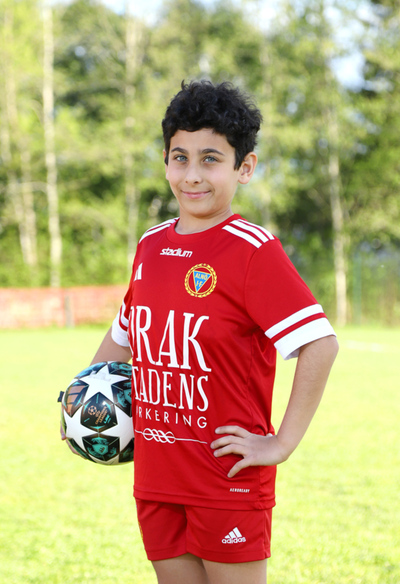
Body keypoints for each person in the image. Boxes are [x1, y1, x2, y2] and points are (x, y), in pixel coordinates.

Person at [72, 81, 339, 584]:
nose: (192, 175)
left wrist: (280, 443)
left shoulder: (252, 250)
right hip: (156, 477)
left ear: (245, 167)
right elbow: (126, 332)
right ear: (166, 162)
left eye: (210, 159)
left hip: (226, 481)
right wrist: (82, 402)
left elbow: (320, 344)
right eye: (180, 157)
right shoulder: (151, 246)